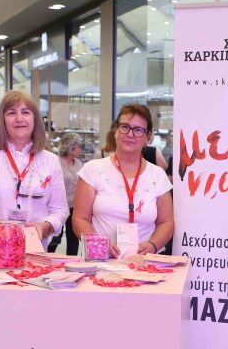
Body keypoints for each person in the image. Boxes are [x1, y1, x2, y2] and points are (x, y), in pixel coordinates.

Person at [0, 90, 68, 269]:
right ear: (2, 120)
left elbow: (60, 210)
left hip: (33, 253)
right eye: (11, 113)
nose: (19, 118)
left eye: (25, 112)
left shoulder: (50, 160)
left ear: (35, 119)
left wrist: (45, 227)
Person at [73, 103, 174, 257]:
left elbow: (166, 222)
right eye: (125, 127)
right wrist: (99, 245)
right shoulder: (92, 170)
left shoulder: (158, 175)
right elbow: (80, 219)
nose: (130, 134)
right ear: (116, 131)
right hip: (101, 262)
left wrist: (153, 245)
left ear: (147, 137)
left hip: (144, 264)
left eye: (138, 130)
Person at [48, 132, 84, 255]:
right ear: (70, 147)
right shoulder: (56, 162)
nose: (80, 149)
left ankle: (72, 260)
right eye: (78, 146)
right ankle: (46, 257)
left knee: (73, 236)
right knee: (55, 236)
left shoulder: (79, 164)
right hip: (58, 205)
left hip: (74, 206)